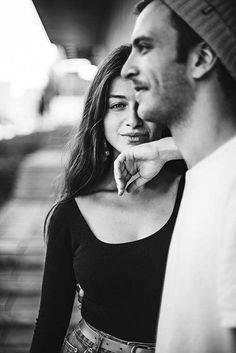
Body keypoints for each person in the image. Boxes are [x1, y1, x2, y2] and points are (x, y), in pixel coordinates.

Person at [29, 44, 185, 353]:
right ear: (98, 114)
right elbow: (50, 320)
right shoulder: (70, 214)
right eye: (117, 105)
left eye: (144, 102)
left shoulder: (196, 188)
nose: (133, 120)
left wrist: (166, 149)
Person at [114, 0, 236, 352]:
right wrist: (165, 149)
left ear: (200, 59)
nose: (126, 69)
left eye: (145, 47)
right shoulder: (204, 175)